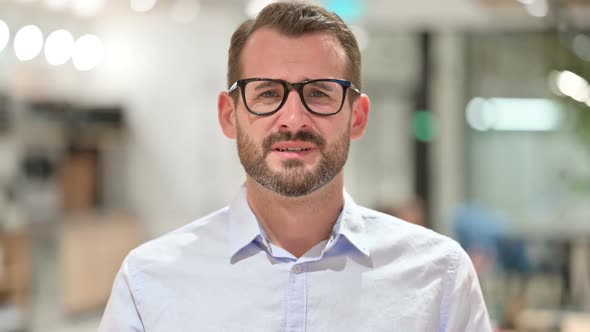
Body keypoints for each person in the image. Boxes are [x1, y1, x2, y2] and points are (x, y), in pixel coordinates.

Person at [99, 1, 492, 331]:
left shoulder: (440, 278)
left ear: (357, 117)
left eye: (319, 93)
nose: (293, 119)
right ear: (228, 115)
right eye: (268, 93)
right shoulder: (149, 284)